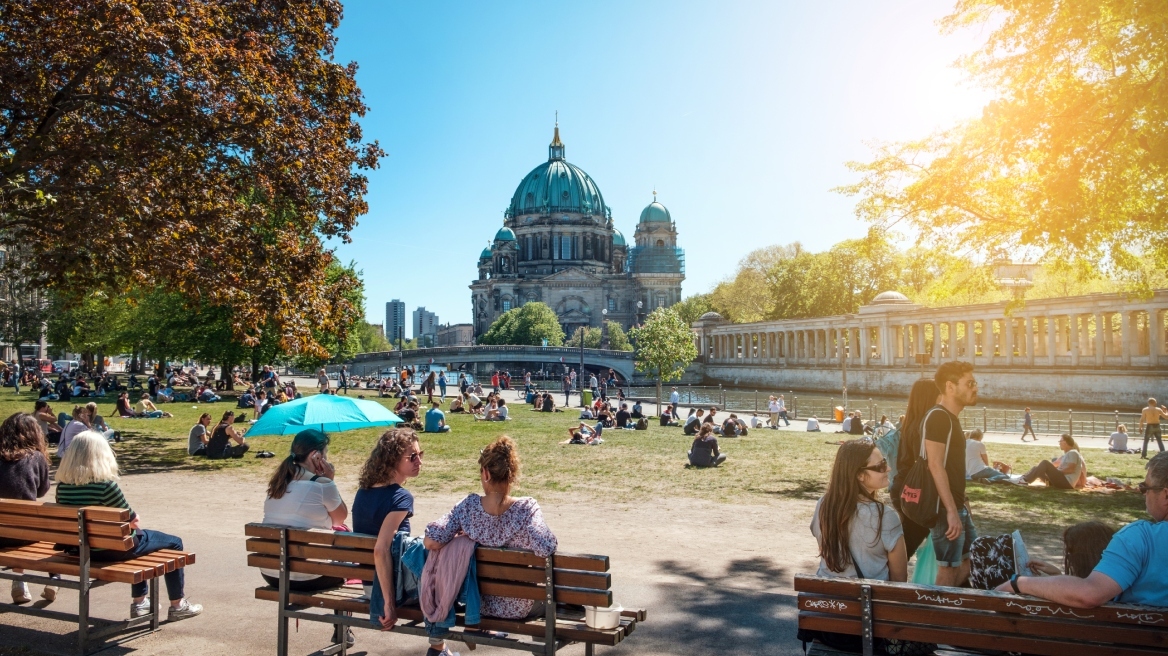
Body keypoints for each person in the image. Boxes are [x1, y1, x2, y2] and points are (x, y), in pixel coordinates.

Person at [424, 436, 557, 656]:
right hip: (520, 606)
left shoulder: (468, 508)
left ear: (485, 473)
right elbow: (545, 546)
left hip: (479, 604)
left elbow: (432, 540)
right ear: (512, 475)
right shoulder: (527, 508)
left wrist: (462, 535)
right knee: (547, 598)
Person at [56, 430, 202, 620]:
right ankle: (176, 605)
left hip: (82, 550)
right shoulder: (106, 487)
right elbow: (132, 521)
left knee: (136, 539)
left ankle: (141, 603)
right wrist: (136, 518)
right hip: (115, 549)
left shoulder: (62, 488)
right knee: (173, 542)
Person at [996, 452, 1168, 607]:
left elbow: (1089, 594)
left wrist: (1020, 583)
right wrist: (1057, 575)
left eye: (1145, 488)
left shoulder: (1140, 538)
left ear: (1166, 495)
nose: (1143, 494)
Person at [352, 428, 423, 633]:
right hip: (388, 590)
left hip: (366, 585)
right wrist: (389, 604)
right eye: (412, 457)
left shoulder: (363, 492)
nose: (419, 462)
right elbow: (380, 550)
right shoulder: (400, 498)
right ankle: (438, 648)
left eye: (420, 454)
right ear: (392, 460)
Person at [261, 429, 349, 590]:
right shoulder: (322, 483)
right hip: (310, 576)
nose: (327, 459)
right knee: (348, 551)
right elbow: (340, 519)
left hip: (272, 574)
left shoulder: (279, 482)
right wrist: (330, 481)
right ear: (315, 455)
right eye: (325, 454)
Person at [923, 361, 979, 587]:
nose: (975, 388)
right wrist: (951, 511)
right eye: (970, 383)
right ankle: (937, 617)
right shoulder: (939, 417)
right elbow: (935, 465)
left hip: (955, 505)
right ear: (950, 386)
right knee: (948, 569)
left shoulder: (950, 419)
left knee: (973, 559)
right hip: (944, 509)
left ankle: (949, 610)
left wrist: (961, 504)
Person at [0, 413, 58, 604]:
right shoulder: (36, 457)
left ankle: (19, 582)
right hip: (25, 534)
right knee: (53, 530)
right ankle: (53, 578)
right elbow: (41, 491)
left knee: (16, 526)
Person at [891, 379, 945, 558]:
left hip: (903, 486)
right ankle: (880, 579)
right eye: (939, 393)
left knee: (908, 540)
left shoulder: (910, 424)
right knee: (907, 546)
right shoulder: (927, 427)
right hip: (921, 491)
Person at [1019, 434, 1087, 490]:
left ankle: (1025, 480)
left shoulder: (1073, 453)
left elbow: (1070, 470)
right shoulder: (1068, 454)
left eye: (1060, 441)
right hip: (1060, 482)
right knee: (1037, 469)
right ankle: (1023, 478)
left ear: (1065, 442)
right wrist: (1054, 473)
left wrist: (1055, 472)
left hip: (1066, 483)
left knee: (1045, 463)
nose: (1059, 443)